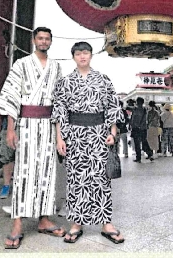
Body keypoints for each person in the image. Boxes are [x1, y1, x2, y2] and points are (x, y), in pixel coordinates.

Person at [0, 27, 65, 249]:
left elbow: (60, 103)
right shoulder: (21, 64)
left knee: (47, 173)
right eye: (40, 38)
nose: (44, 41)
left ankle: (44, 219)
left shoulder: (56, 67)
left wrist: (59, 135)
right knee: (24, 173)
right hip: (25, 125)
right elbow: (12, 97)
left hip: (47, 127)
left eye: (47, 39)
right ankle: (17, 224)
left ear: (51, 42)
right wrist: (11, 130)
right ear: (34, 40)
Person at [52, 41, 124, 243]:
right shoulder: (64, 82)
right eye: (78, 54)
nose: (82, 56)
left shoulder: (103, 80)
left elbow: (112, 107)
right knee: (76, 180)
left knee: (102, 178)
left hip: (99, 134)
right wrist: (59, 138)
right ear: (73, 57)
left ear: (91, 55)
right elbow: (60, 112)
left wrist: (113, 132)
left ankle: (106, 223)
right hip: (74, 135)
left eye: (86, 53)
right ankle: (76, 223)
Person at [128, 97, 152, 162]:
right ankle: (149, 153)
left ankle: (138, 157)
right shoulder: (144, 110)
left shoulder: (135, 109)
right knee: (144, 142)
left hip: (136, 128)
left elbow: (132, 119)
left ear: (137, 102)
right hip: (143, 128)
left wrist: (131, 125)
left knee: (137, 144)